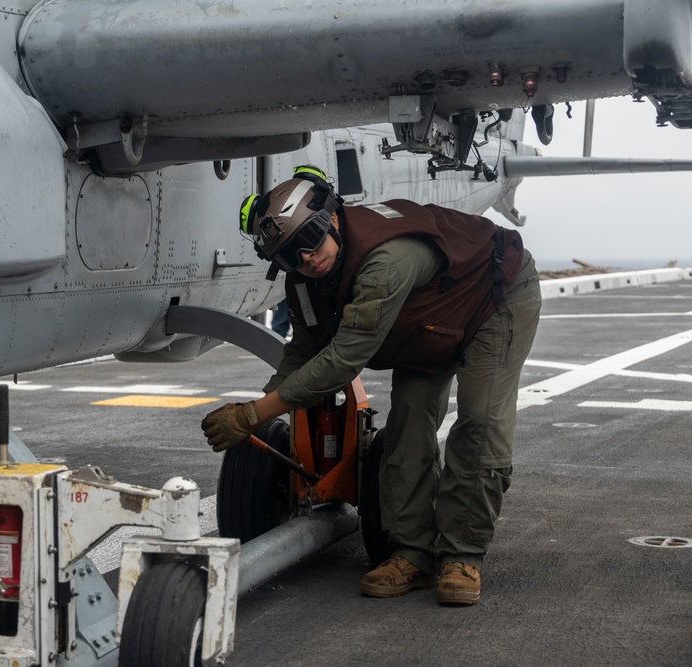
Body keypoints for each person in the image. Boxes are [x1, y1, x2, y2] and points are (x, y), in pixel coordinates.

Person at [201, 165, 541, 605]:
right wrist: (261, 405)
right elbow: (304, 348)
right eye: (288, 255)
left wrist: (254, 416)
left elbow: (344, 357)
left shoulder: (386, 260)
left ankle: (461, 555)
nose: (305, 258)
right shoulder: (305, 280)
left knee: (479, 422)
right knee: (406, 431)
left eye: (310, 238)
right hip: (428, 321)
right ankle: (413, 555)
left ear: (333, 219)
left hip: (493, 299)